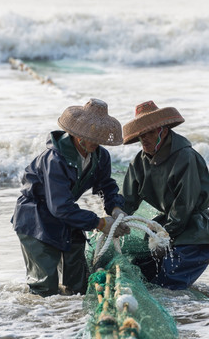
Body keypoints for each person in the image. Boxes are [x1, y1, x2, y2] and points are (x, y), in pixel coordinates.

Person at [11, 98, 130, 296]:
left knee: (78, 286)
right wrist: (100, 224)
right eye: (89, 133)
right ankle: (39, 320)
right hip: (36, 218)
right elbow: (60, 207)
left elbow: (106, 186)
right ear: (76, 132)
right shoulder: (54, 159)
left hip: (67, 217)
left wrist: (115, 208)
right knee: (44, 289)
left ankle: (69, 320)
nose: (94, 139)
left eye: (98, 134)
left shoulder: (101, 156)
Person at [121, 100, 209, 290]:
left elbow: (184, 206)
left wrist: (165, 237)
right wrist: (114, 218)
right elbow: (126, 201)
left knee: (167, 288)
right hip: (164, 231)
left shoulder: (185, 157)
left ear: (162, 130)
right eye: (140, 135)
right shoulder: (139, 162)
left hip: (194, 235)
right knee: (140, 274)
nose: (144, 139)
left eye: (148, 133)